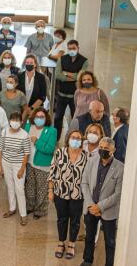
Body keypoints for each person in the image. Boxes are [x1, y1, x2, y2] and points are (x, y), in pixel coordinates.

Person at [80, 137, 124, 266]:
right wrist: (90, 204)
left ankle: (109, 263)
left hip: (108, 210)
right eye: (101, 148)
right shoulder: (91, 161)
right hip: (90, 207)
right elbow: (84, 183)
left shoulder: (120, 168)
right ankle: (87, 260)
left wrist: (99, 206)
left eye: (106, 149)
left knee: (110, 241)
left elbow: (118, 193)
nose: (103, 150)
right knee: (89, 237)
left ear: (113, 150)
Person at [48, 129, 89, 260]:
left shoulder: (86, 156)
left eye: (78, 138)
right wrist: (50, 190)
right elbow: (52, 172)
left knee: (75, 221)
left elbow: (89, 177)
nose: (75, 140)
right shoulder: (60, 152)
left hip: (78, 194)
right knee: (62, 219)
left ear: (82, 141)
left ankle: (71, 244)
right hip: (60, 192)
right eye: (73, 137)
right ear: (68, 139)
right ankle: (61, 243)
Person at [0, 112, 31, 225]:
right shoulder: (5, 131)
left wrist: (22, 168)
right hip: (6, 162)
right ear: (9, 121)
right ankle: (12, 208)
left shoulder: (24, 135)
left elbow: (26, 153)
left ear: (21, 122)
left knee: (19, 189)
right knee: (10, 186)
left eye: (17, 120)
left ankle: (23, 214)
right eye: (13, 120)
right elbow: (0, 148)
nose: (15, 122)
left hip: (18, 165)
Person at [24, 107, 57, 219]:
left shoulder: (52, 131)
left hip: (42, 164)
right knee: (30, 186)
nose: (39, 119)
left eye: (42, 117)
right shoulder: (28, 126)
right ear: (33, 117)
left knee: (42, 189)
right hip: (29, 163)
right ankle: (30, 206)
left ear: (46, 118)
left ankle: (40, 211)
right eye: (37, 116)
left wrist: (37, 142)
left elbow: (50, 149)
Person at [54, 40, 89, 140]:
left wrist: (65, 73)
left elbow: (81, 76)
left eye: (73, 48)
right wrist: (74, 76)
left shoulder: (84, 61)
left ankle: (75, 139)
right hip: (61, 94)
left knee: (76, 119)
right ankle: (56, 139)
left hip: (76, 96)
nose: (71, 50)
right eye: (69, 48)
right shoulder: (62, 58)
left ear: (78, 48)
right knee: (57, 118)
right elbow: (58, 75)